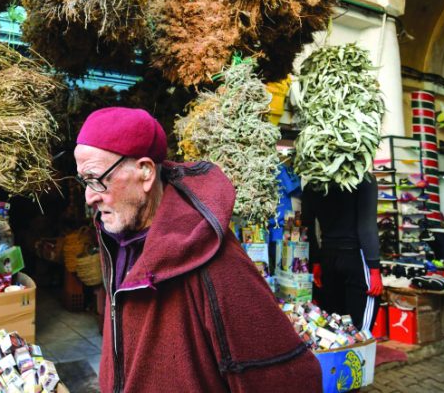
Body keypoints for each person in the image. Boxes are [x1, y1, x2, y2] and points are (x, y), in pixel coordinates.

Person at [74, 107, 321, 393]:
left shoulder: (214, 260)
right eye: (83, 181)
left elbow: (291, 377)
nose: (89, 196)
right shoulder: (117, 241)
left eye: (96, 179)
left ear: (145, 172)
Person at [302, 177, 383, 331]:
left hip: (327, 259)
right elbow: (367, 226)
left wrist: (316, 261)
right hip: (356, 258)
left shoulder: (312, 185)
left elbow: (308, 229)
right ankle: (359, 354)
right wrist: (374, 270)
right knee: (360, 331)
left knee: (335, 326)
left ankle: (341, 354)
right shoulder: (363, 180)